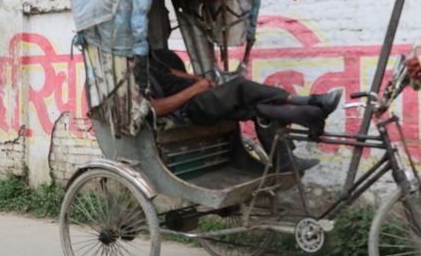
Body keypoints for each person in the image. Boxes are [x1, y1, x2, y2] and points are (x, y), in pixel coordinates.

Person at [134, 47, 342, 171]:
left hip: (199, 96)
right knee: (239, 86)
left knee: (259, 108)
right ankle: (310, 103)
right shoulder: (128, 72)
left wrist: (198, 79)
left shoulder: (144, 56)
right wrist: (196, 88)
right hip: (187, 108)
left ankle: (284, 159)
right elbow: (155, 108)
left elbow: (169, 72)